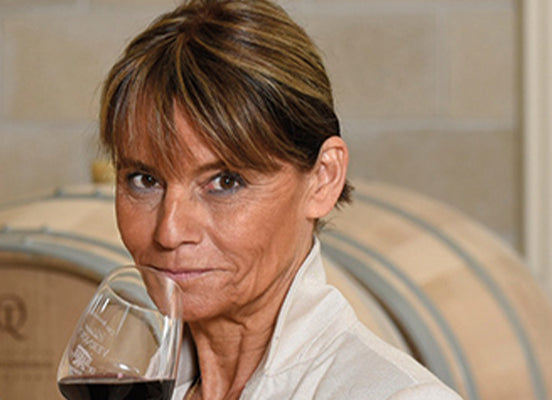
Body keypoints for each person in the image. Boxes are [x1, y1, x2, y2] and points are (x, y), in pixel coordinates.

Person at [98, 0, 463, 399]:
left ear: (323, 179)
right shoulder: (137, 384)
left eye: (225, 181)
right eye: (144, 179)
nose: (169, 231)